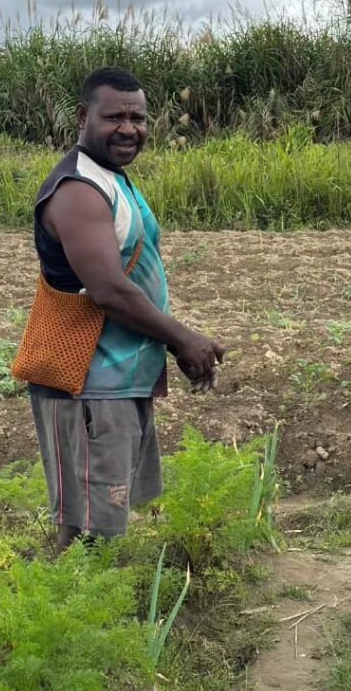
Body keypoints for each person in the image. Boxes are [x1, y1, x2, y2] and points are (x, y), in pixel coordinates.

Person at [26, 66, 224, 551]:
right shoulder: (77, 191)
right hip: (88, 381)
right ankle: (74, 616)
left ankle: (82, 606)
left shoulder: (111, 179)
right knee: (89, 528)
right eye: (115, 116)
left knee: (94, 519)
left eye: (138, 118)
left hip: (115, 376)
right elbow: (109, 291)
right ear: (81, 116)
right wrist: (183, 339)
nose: (129, 128)